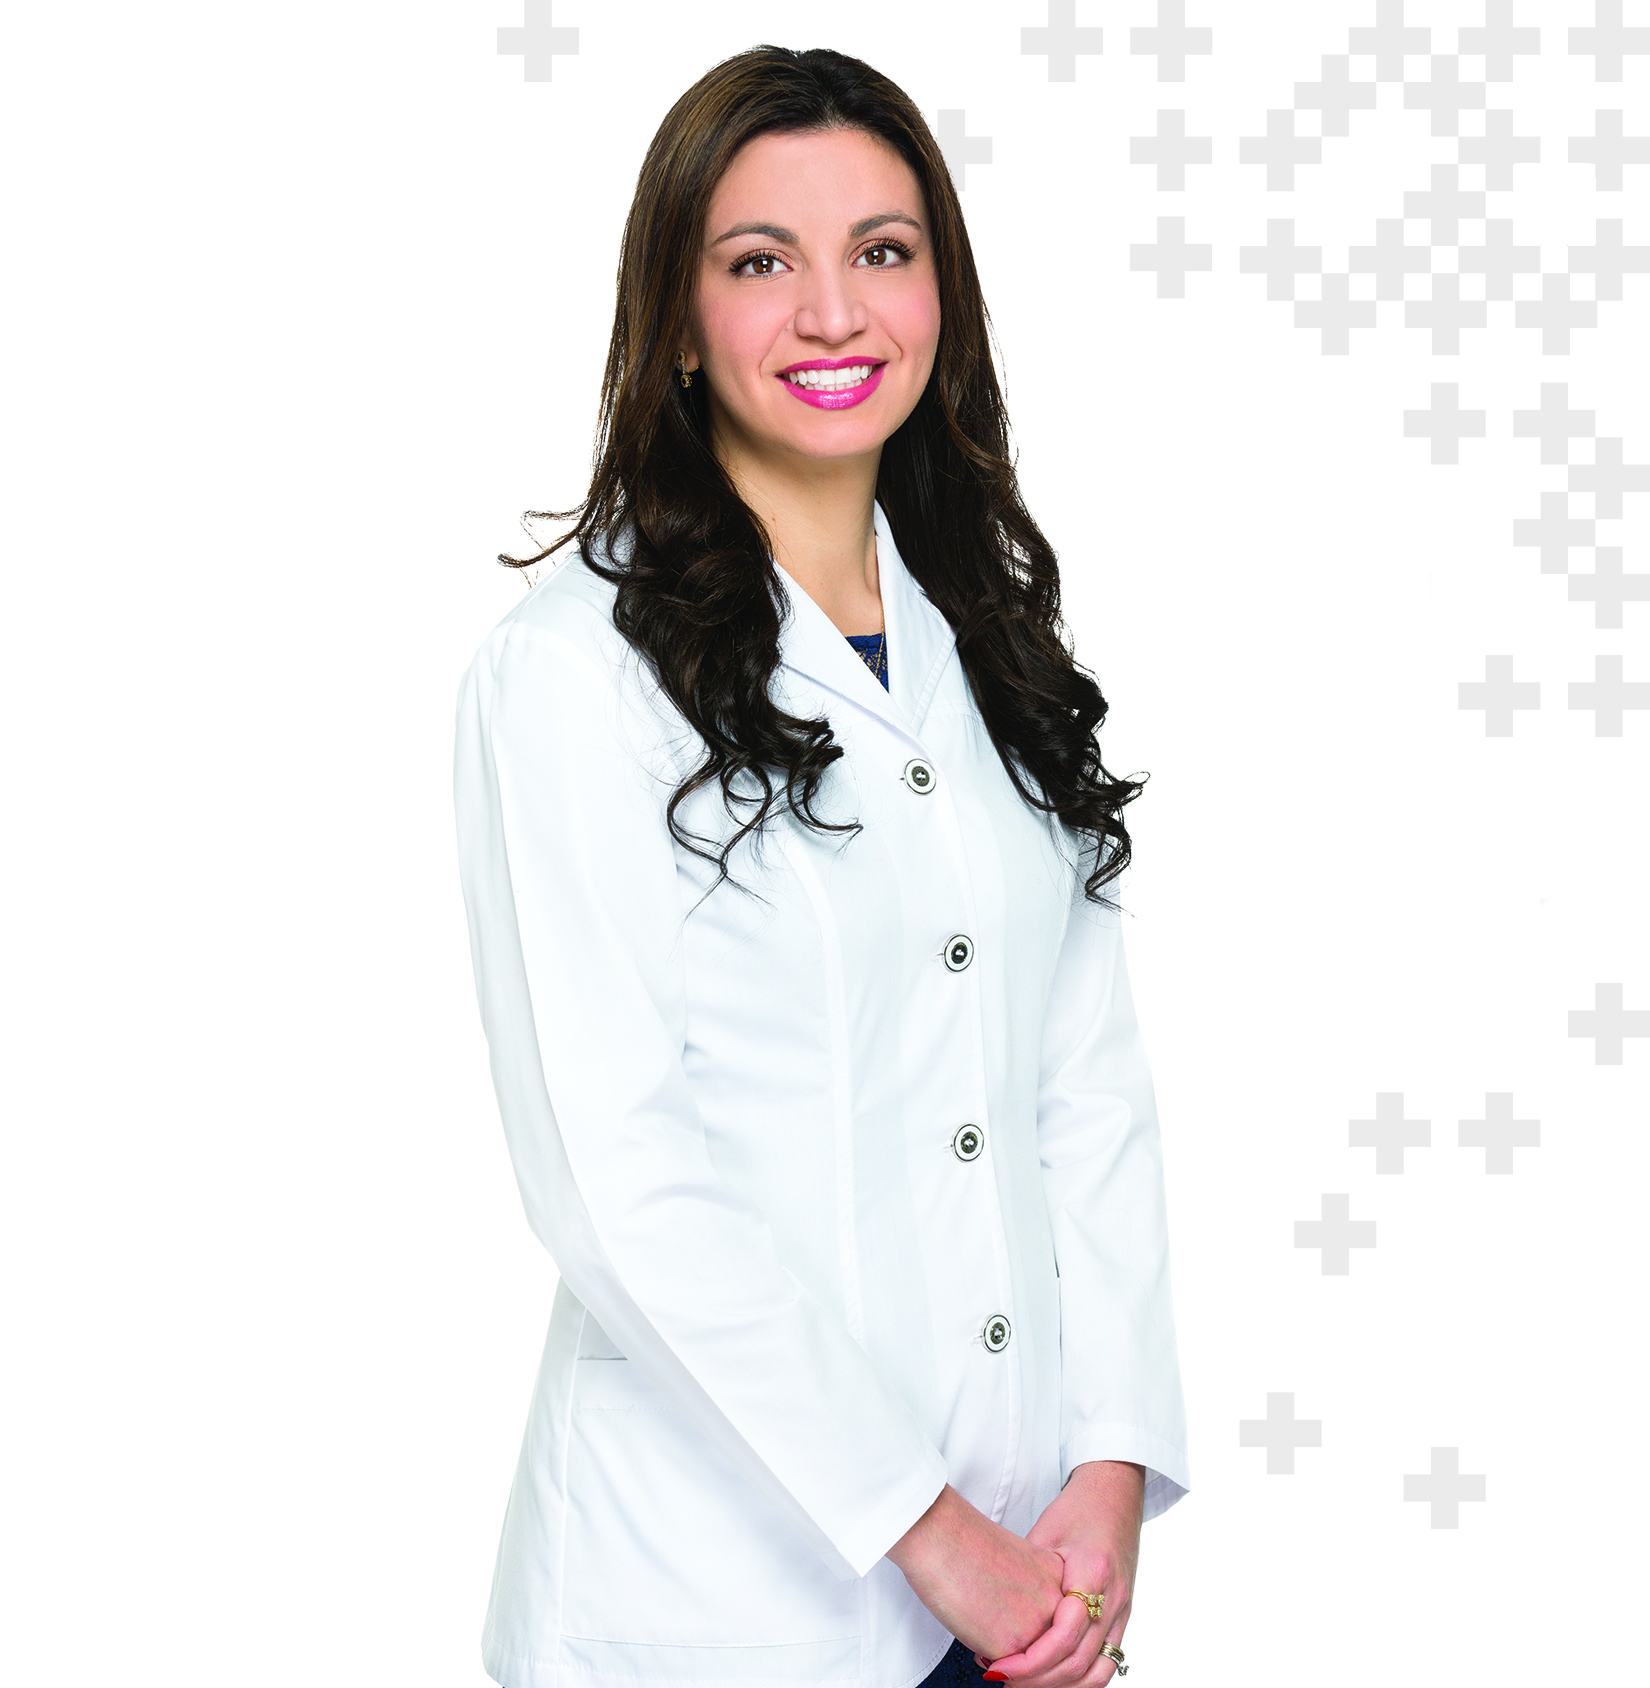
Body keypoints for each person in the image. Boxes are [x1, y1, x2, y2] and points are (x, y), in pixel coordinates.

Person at [453, 44, 1189, 1688]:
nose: (833, 313)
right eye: (759, 262)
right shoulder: (572, 673)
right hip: (718, 1607)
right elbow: (615, 1179)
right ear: (677, 318)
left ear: (942, 293)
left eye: (881, 250)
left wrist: (1110, 1462)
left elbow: (1084, 1089)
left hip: (1027, 1578)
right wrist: (925, 1531)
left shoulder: (987, 644)